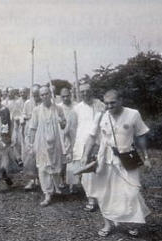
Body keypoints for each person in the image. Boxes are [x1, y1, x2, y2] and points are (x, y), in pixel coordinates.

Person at [80, 90, 151, 237]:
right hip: (105, 159)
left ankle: (131, 223)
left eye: (112, 102)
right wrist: (85, 155)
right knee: (104, 193)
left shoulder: (133, 114)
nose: (109, 106)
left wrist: (146, 157)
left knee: (131, 192)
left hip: (127, 159)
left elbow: (141, 134)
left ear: (121, 100)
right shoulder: (101, 115)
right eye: (106, 103)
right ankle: (107, 224)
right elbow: (92, 137)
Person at [26, 86, 66, 206]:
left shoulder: (58, 109)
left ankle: (55, 188)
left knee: (56, 167)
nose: (44, 96)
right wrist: (31, 144)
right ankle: (47, 194)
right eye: (42, 95)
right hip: (41, 143)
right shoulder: (36, 110)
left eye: (46, 94)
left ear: (51, 94)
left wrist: (62, 122)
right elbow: (32, 128)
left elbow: (64, 125)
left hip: (56, 144)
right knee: (43, 168)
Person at [73, 81, 105, 211]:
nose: (85, 93)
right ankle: (91, 199)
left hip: (99, 142)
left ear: (92, 91)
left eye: (87, 91)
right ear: (79, 93)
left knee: (101, 170)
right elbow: (73, 128)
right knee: (86, 173)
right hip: (82, 143)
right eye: (82, 92)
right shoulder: (77, 108)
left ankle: (103, 199)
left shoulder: (101, 105)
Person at [57, 88, 78, 193]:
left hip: (75, 135)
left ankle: (72, 183)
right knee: (63, 160)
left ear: (70, 95)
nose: (65, 98)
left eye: (67, 96)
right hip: (63, 136)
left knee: (73, 159)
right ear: (60, 97)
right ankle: (61, 179)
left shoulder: (76, 106)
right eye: (63, 96)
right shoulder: (58, 107)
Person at [22, 84, 42, 189]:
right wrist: (27, 117)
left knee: (40, 156)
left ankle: (40, 179)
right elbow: (23, 115)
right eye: (34, 94)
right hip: (29, 131)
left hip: (41, 132)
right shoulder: (28, 103)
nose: (36, 96)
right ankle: (31, 180)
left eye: (37, 94)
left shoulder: (44, 103)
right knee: (30, 156)